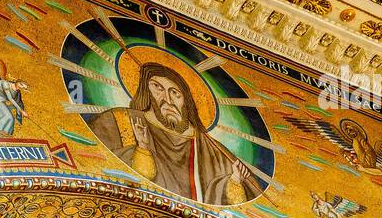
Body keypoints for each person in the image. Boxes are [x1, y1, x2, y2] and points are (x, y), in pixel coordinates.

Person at [88, 59, 264, 206]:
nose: (167, 99)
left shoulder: (212, 149)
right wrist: (141, 148)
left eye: (175, 93)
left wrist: (234, 180)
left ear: (186, 102)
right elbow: (97, 163)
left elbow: (235, 202)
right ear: (145, 90)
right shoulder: (120, 120)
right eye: (157, 87)